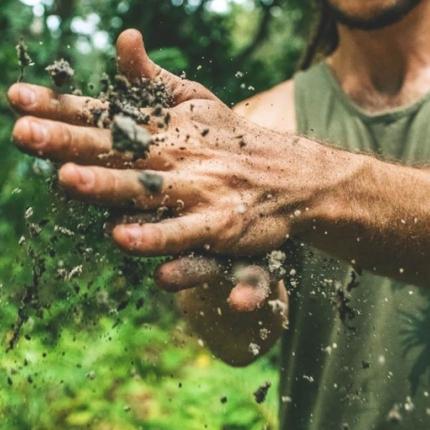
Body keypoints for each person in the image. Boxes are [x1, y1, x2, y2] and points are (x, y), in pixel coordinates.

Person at [7, 0, 430, 427]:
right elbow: (240, 344)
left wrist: (315, 183)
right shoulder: (256, 131)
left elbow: (295, 172)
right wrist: (224, 267)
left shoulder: (270, 155)